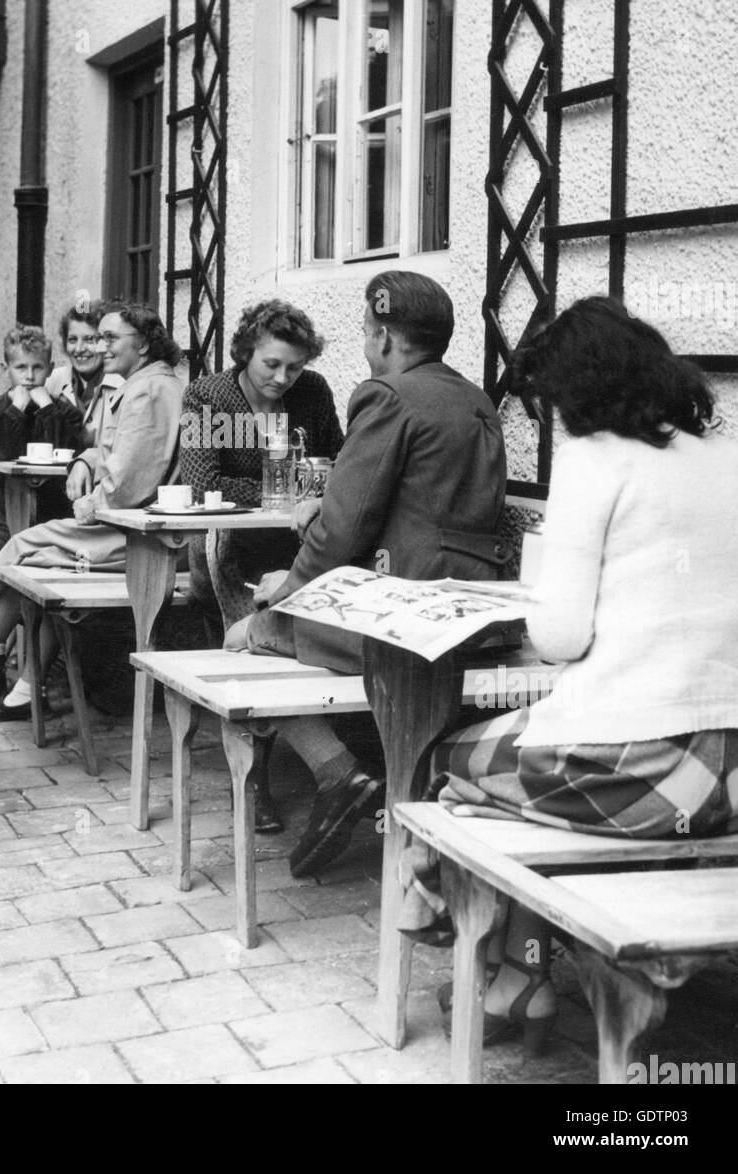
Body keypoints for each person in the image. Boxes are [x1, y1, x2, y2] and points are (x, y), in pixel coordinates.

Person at [409, 296, 738, 1053]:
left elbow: (558, 639)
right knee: (516, 781)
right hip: (728, 769)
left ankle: (493, 962)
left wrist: (543, 604)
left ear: (575, 391)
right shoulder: (726, 459)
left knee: (453, 763)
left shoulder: (595, 462)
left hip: (647, 770)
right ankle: (515, 977)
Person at [228, 271, 508, 877]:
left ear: (383, 335)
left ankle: (335, 775)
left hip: (405, 621)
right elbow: (418, 501)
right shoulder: (474, 397)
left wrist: (291, 588)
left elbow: (347, 527)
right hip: (473, 614)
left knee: (246, 637)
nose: (365, 344)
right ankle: (348, 777)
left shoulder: (385, 394)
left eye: (365, 331)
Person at [180, 299, 344, 830]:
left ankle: (320, 758)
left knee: (300, 644)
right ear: (247, 350)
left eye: (294, 367)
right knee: (247, 648)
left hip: (298, 542)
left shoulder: (313, 392)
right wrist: (286, 492)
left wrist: (309, 493)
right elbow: (203, 486)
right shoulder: (209, 395)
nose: (282, 377)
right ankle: (254, 784)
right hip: (228, 541)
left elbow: (336, 463)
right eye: (271, 364)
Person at [0, 301, 185, 715]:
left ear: (142, 345)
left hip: (138, 538)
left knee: (27, 548)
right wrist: (85, 461)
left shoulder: (149, 391)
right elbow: (106, 450)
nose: (101, 347)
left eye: (110, 338)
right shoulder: (140, 385)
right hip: (128, 527)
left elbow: (127, 485)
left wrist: (85, 502)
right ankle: (16, 678)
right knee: (31, 552)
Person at [0, 324, 85, 576]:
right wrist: (16, 409)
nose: (30, 376)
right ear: (5, 369)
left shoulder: (67, 413)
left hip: (52, 514)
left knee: (38, 580)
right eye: (21, 367)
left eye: (38, 367)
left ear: (51, 369)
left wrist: (46, 409)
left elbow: (65, 454)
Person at [48, 298, 122, 445]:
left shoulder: (121, 384)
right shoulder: (53, 380)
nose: (79, 349)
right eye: (72, 340)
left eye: (89, 339)